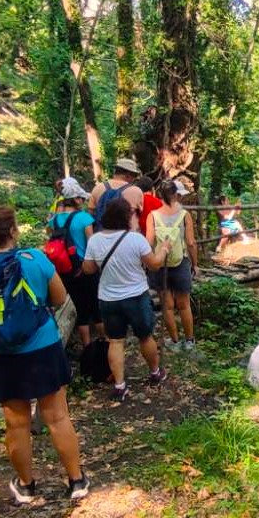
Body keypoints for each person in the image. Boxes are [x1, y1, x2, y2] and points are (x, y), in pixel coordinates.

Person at [0, 206, 88, 503]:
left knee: (16, 423)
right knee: (57, 416)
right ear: (13, 231)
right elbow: (60, 297)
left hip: (0, 353)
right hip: (42, 346)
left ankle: (26, 485)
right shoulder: (34, 260)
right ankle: (76, 481)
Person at [82, 198, 170, 402]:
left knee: (116, 341)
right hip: (136, 296)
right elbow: (155, 264)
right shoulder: (135, 239)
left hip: (108, 298)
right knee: (145, 336)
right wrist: (164, 248)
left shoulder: (95, 240)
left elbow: (88, 269)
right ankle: (155, 372)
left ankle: (120, 385)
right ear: (126, 217)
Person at [145, 181, 198, 352]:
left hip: (161, 265)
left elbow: (148, 242)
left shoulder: (152, 216)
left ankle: (174, 342)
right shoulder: (184, 215)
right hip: (181, 262)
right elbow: (190, 242)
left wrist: (150, 262)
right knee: (184, 304)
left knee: (167, 305)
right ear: (176, 195)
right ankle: (189, 341)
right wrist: (195, 264)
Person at [48, 180, 101, 346]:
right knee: (95, 307)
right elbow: (92, 244)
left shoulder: (54, 220)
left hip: (65, 271)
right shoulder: (84, 218)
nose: (83, 201)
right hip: (85, 268)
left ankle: (86, 347)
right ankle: (106, 343)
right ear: (76, 199)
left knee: (80, 308)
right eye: (81, 198)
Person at [87, 158, 144, 231]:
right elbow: (141, 215)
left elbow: (90, 214)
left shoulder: (98, 188)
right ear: (128, 175)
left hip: (103, 235)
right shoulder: (135, 191)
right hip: (128, 235)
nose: (134, 179)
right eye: (134, 176)